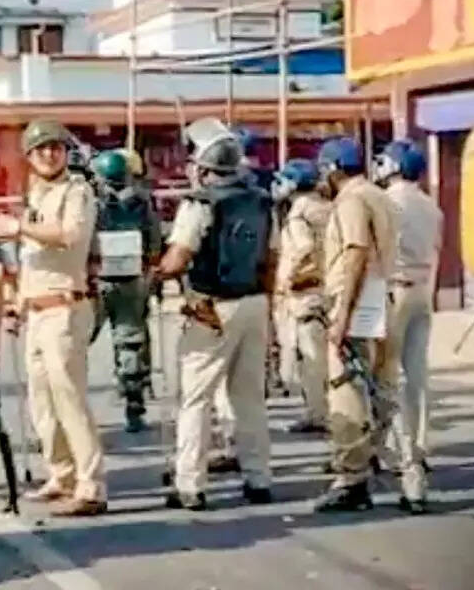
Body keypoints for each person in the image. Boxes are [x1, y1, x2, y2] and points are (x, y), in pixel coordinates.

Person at [153, 118, 274, 511]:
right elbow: (271, 258)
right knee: (249, 398)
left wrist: (153, 272)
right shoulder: (261, 200)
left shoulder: (199, 203)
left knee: (196, 399)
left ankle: (190, 484)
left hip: (211, 307)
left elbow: (178, 258)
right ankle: (258, 477)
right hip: (255, 303)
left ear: (202, 164)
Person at [0, 120, 107, 518]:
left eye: (55, 147)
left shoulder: (77, 191)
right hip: (36, 308)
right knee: (42, 402)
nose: (49, 154)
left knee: (70, 399)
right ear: (28, 156)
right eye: (40, 148)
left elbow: (70, 236)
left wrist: (19, 226)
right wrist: (15, 303)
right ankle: (62, 473)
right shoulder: (35, 194)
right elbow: (28, 258)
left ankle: (91, 484)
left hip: (65, 306)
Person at [313, 137, 398, 513]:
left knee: (345, 389)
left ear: (333, 169)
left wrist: (342, 315)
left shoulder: (351, 200)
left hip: (358, 302)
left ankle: (352, 478)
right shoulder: (380, 196)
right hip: (381, 297)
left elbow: (356, 254)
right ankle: (374, 456)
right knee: (378, 387)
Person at [372, 140, 442, 512]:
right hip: (422, 290)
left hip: (393, 290)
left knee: (389, 376)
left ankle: (396, 452)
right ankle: (419, 444)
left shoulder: (385, 202)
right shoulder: (430, 205)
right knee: (417, 375)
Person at [90, 149, 163, 433]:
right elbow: (154, 240)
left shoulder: (91, 202)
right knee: (130, 342)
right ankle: (134, 406)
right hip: (132, 279)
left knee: (78, 340)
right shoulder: (142, 202)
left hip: (96, 279)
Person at [272, 158, 332, 434]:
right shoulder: (326, 207)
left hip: (304, 292)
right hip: (326, 287)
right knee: (324, 355)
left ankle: (318, 413)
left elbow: (304, 247)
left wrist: (290, 276)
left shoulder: (298, 212)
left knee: (309, 358)